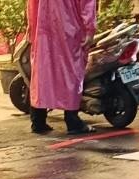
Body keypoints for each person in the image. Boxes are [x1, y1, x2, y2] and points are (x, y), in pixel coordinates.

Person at [26, 0, 95, 134]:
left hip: (43, 28)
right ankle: (72, 120)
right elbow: (86, 3)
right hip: (68, 27)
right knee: (70, 72)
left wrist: (31, 25)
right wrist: (90, 28)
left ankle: (38, 119)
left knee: (43, 71)